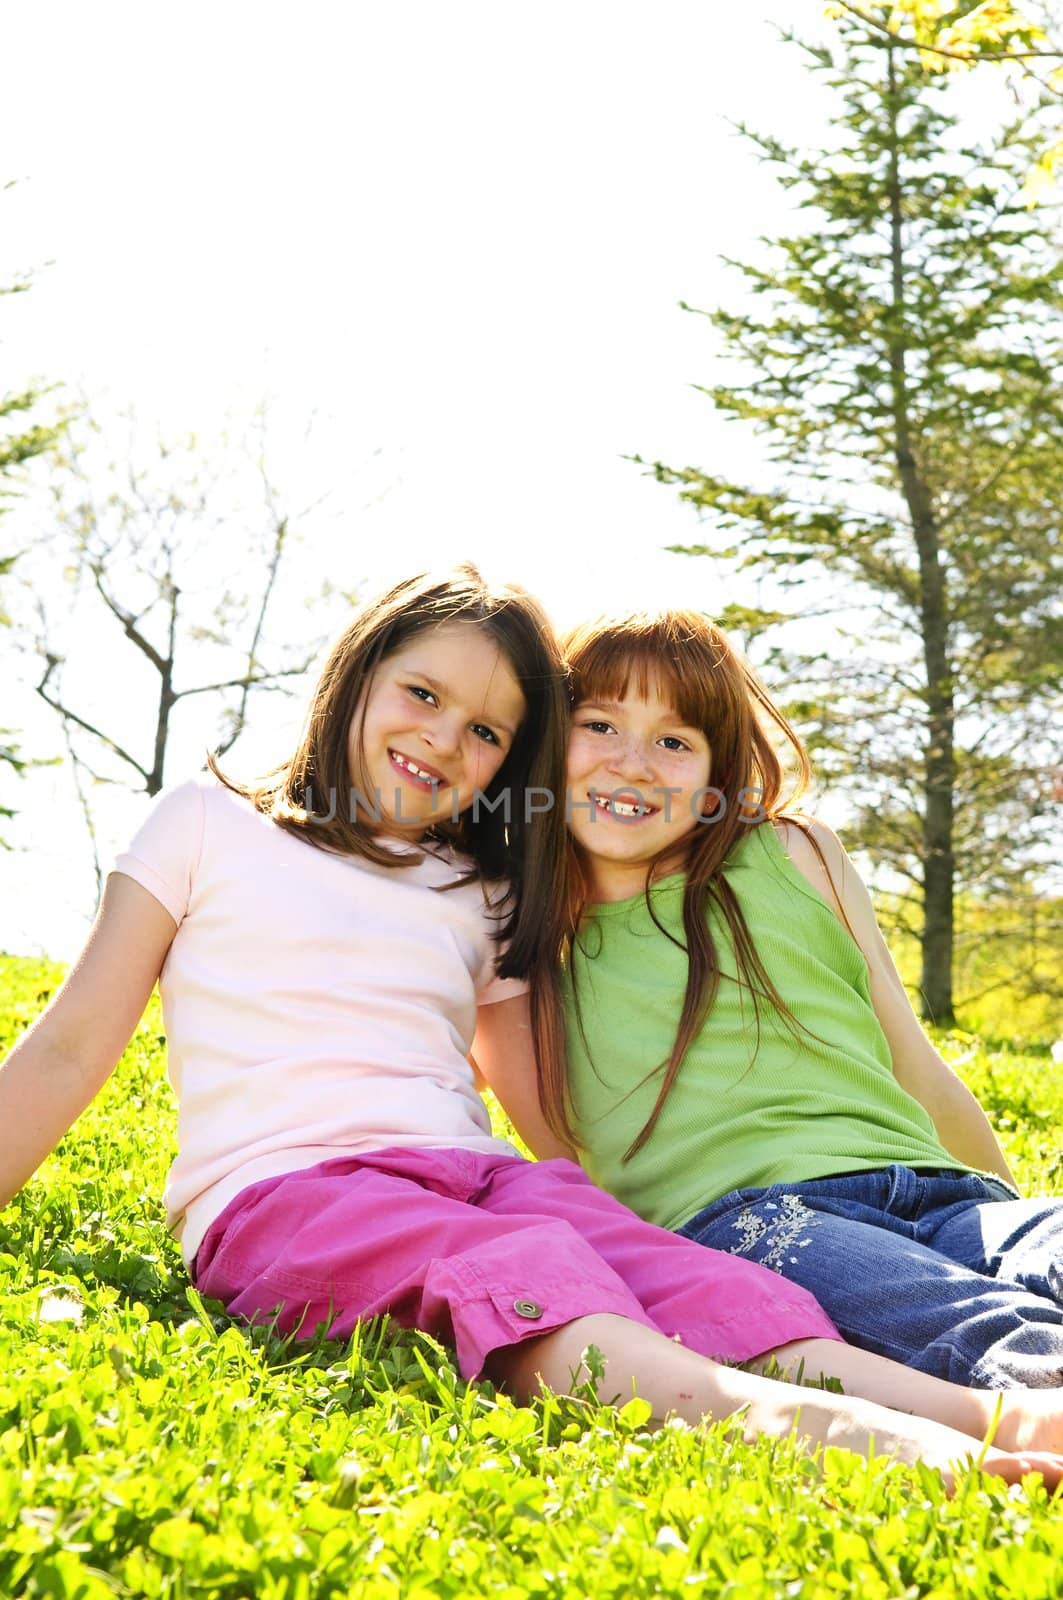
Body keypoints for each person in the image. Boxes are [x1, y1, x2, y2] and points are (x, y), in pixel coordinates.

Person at [2, 571, 1061, 1490]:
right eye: (421, 693)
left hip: (476, 1171)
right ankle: (843, 1436)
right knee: (531, 1288)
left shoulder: (482, 887)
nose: (440, 738)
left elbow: (540, 1109)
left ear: (510, 760)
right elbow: (68, 1042)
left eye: (485, 731)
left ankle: (1001, 1419)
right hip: (296, 1185)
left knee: (706, 1284)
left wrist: (630, 1227)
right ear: (355, 673)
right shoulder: (207, 821)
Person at [477, 606, 1063, 1426]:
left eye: (675, 741)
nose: (633, 763)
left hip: (942, 1197)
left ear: (716, 775)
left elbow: (912, 1059)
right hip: (754, 1219)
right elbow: (565, 1155)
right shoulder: (522, 940)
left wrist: (1000, 1200)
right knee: (986, 1329)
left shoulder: (791, 853)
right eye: (599, 724)